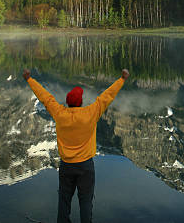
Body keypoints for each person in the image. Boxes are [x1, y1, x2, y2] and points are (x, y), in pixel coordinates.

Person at [22, 68, 130, 223]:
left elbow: (45, 97)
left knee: (64, 201)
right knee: (85, 202)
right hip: (86, 167)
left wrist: (29, 79)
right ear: (80, 102)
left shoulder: (60, 114)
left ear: (67, 102)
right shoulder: (90, 113)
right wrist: (122, 79)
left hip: (66, 166)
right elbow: (107, 96)